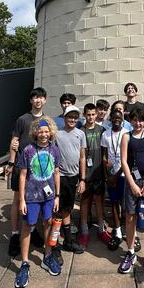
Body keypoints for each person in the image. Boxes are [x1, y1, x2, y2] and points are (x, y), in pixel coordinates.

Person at [14, 117, 61, 288]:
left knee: (48, 222)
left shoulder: (54, 150)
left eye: (46, 131)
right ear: (35, 132)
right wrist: (22, 200)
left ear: (51, 132)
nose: (43, 134)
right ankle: (25, 262)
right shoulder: (28, 150)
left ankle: (47, 256)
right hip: (32, 196)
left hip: (48, 196)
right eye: (40, 131)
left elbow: (56, 173)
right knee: (27, 225)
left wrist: (57, 196)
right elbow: (23, 175)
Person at [7, 87, 48, 259]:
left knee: (38, 200)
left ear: (45, 100)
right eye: (35, 98)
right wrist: (11, 161)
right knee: (18, 199)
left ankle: (32, 229)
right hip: (21, 167)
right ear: (31, 100)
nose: (38, 100)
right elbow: (14, 141)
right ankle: (15, 234)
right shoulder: (22, 119)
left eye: (41, 98)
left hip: (40, 169)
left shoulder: (46, 120)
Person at [118, 106, 144, 274]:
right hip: (132, 182)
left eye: (141, 120)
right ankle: (130, 251)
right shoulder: (126, 137)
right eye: (135, 120)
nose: (138, 123)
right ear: (130, 120)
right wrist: (133, 185)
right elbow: (124, 162)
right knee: (130, 216)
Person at [55, 105, 86, 257]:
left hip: (73, 177)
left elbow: (82, 157)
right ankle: (53, 245)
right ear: (65, 118)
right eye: (69, 117)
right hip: (59, 177)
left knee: (67, 208)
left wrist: (82, 179)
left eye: (75, 117)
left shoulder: (80, 134)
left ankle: (67, 241)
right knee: (56, 212)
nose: (72, 119)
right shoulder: (57, 134)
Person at [78, 103, 110, 248]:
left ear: (96, 115)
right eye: (88, 114)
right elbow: (81, 156)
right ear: (84, 115)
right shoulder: (80, 131)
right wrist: (82, 177)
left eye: (93, 114)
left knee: (99, 201)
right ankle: (84, 231)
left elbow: (106, 152)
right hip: (86, 174)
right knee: (84, 202)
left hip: (98, 172)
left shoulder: (102, 130)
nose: (91, 117)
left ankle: (101, 229)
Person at [101, 109, 126, 249]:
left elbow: (126, 158)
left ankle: (127, 230)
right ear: (111, 119)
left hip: (122, 175)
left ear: (122, 119)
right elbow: (104, 156)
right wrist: (107, 175)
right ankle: (117, 229)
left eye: (119, 117)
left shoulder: (126, 134)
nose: (116, 119)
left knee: (125, 204)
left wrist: (116, 175)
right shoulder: (105, 134)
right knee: (114, 202)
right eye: (114, 117)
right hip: (110, 175)